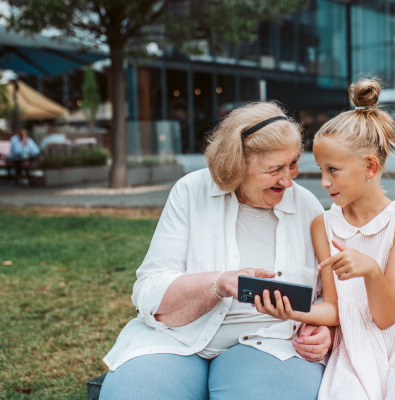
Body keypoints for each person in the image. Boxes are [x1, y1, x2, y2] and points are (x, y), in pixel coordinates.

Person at [100, 102, 335, 400]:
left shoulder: (307, 207)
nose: (288, 180)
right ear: (237, 164)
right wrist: (220, 283)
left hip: (272, 343)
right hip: (175, 339)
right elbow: (148, 291)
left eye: (293, 164)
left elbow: (327, 294)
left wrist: (324, 329)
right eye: (275, 169)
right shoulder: (190, 192)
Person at [256, 78, 395, 399]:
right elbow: (335, 307)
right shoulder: (324, 225)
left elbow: (387, 317)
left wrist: (371, 270)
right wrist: (291, 311)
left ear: (370, 167)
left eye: (333, 169)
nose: (323, 181)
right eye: (321, 169)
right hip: (353, 344)